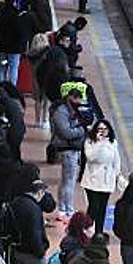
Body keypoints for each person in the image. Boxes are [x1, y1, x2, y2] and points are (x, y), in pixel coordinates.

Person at [8, 179, 51, 264]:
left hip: (19, 251)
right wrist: (41, 252)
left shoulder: (15, 203)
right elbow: (35, 234)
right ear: (39, 192)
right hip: (33, 254)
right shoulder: (34, 209)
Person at [49, 84, 88, 220]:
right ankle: (67, 209)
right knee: (69, 181)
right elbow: (66, 132)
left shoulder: (68, 110)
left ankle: (63, 208)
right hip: (67, 149)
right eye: (76, 98)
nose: (78, 102)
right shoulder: (61, 112)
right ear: (70, 97)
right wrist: (81, 130)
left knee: (66, 180)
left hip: (71, 149)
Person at [81, 120, 121, 236]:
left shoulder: (113, 143)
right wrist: (100, 144)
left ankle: (99, 232)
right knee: (93, 207)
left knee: (102, 207)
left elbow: (116, 160)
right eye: (100, 129)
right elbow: (91, 157)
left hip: (107, 181)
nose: (103, 132)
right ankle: (87, 229)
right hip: (92, 181)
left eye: (105, 129)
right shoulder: (89, 142)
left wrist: (116, 174)